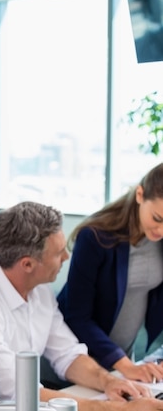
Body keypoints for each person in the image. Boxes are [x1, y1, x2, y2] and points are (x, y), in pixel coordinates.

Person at [0, 201, 163, 411]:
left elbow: (67, 353)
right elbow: (18, 390)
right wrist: (117, 409)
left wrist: (109, 382)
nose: (66, 257)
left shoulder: (40, 292)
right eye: (58, 253)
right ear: (27, 264)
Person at [57, 163, 163, 383]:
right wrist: (124, 364)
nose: (161, 230)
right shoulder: (95, 237)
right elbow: (77, 316)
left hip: (124, 363)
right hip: (78, 361)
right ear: (140, 195)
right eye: (157, 219)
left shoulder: (159, 240)